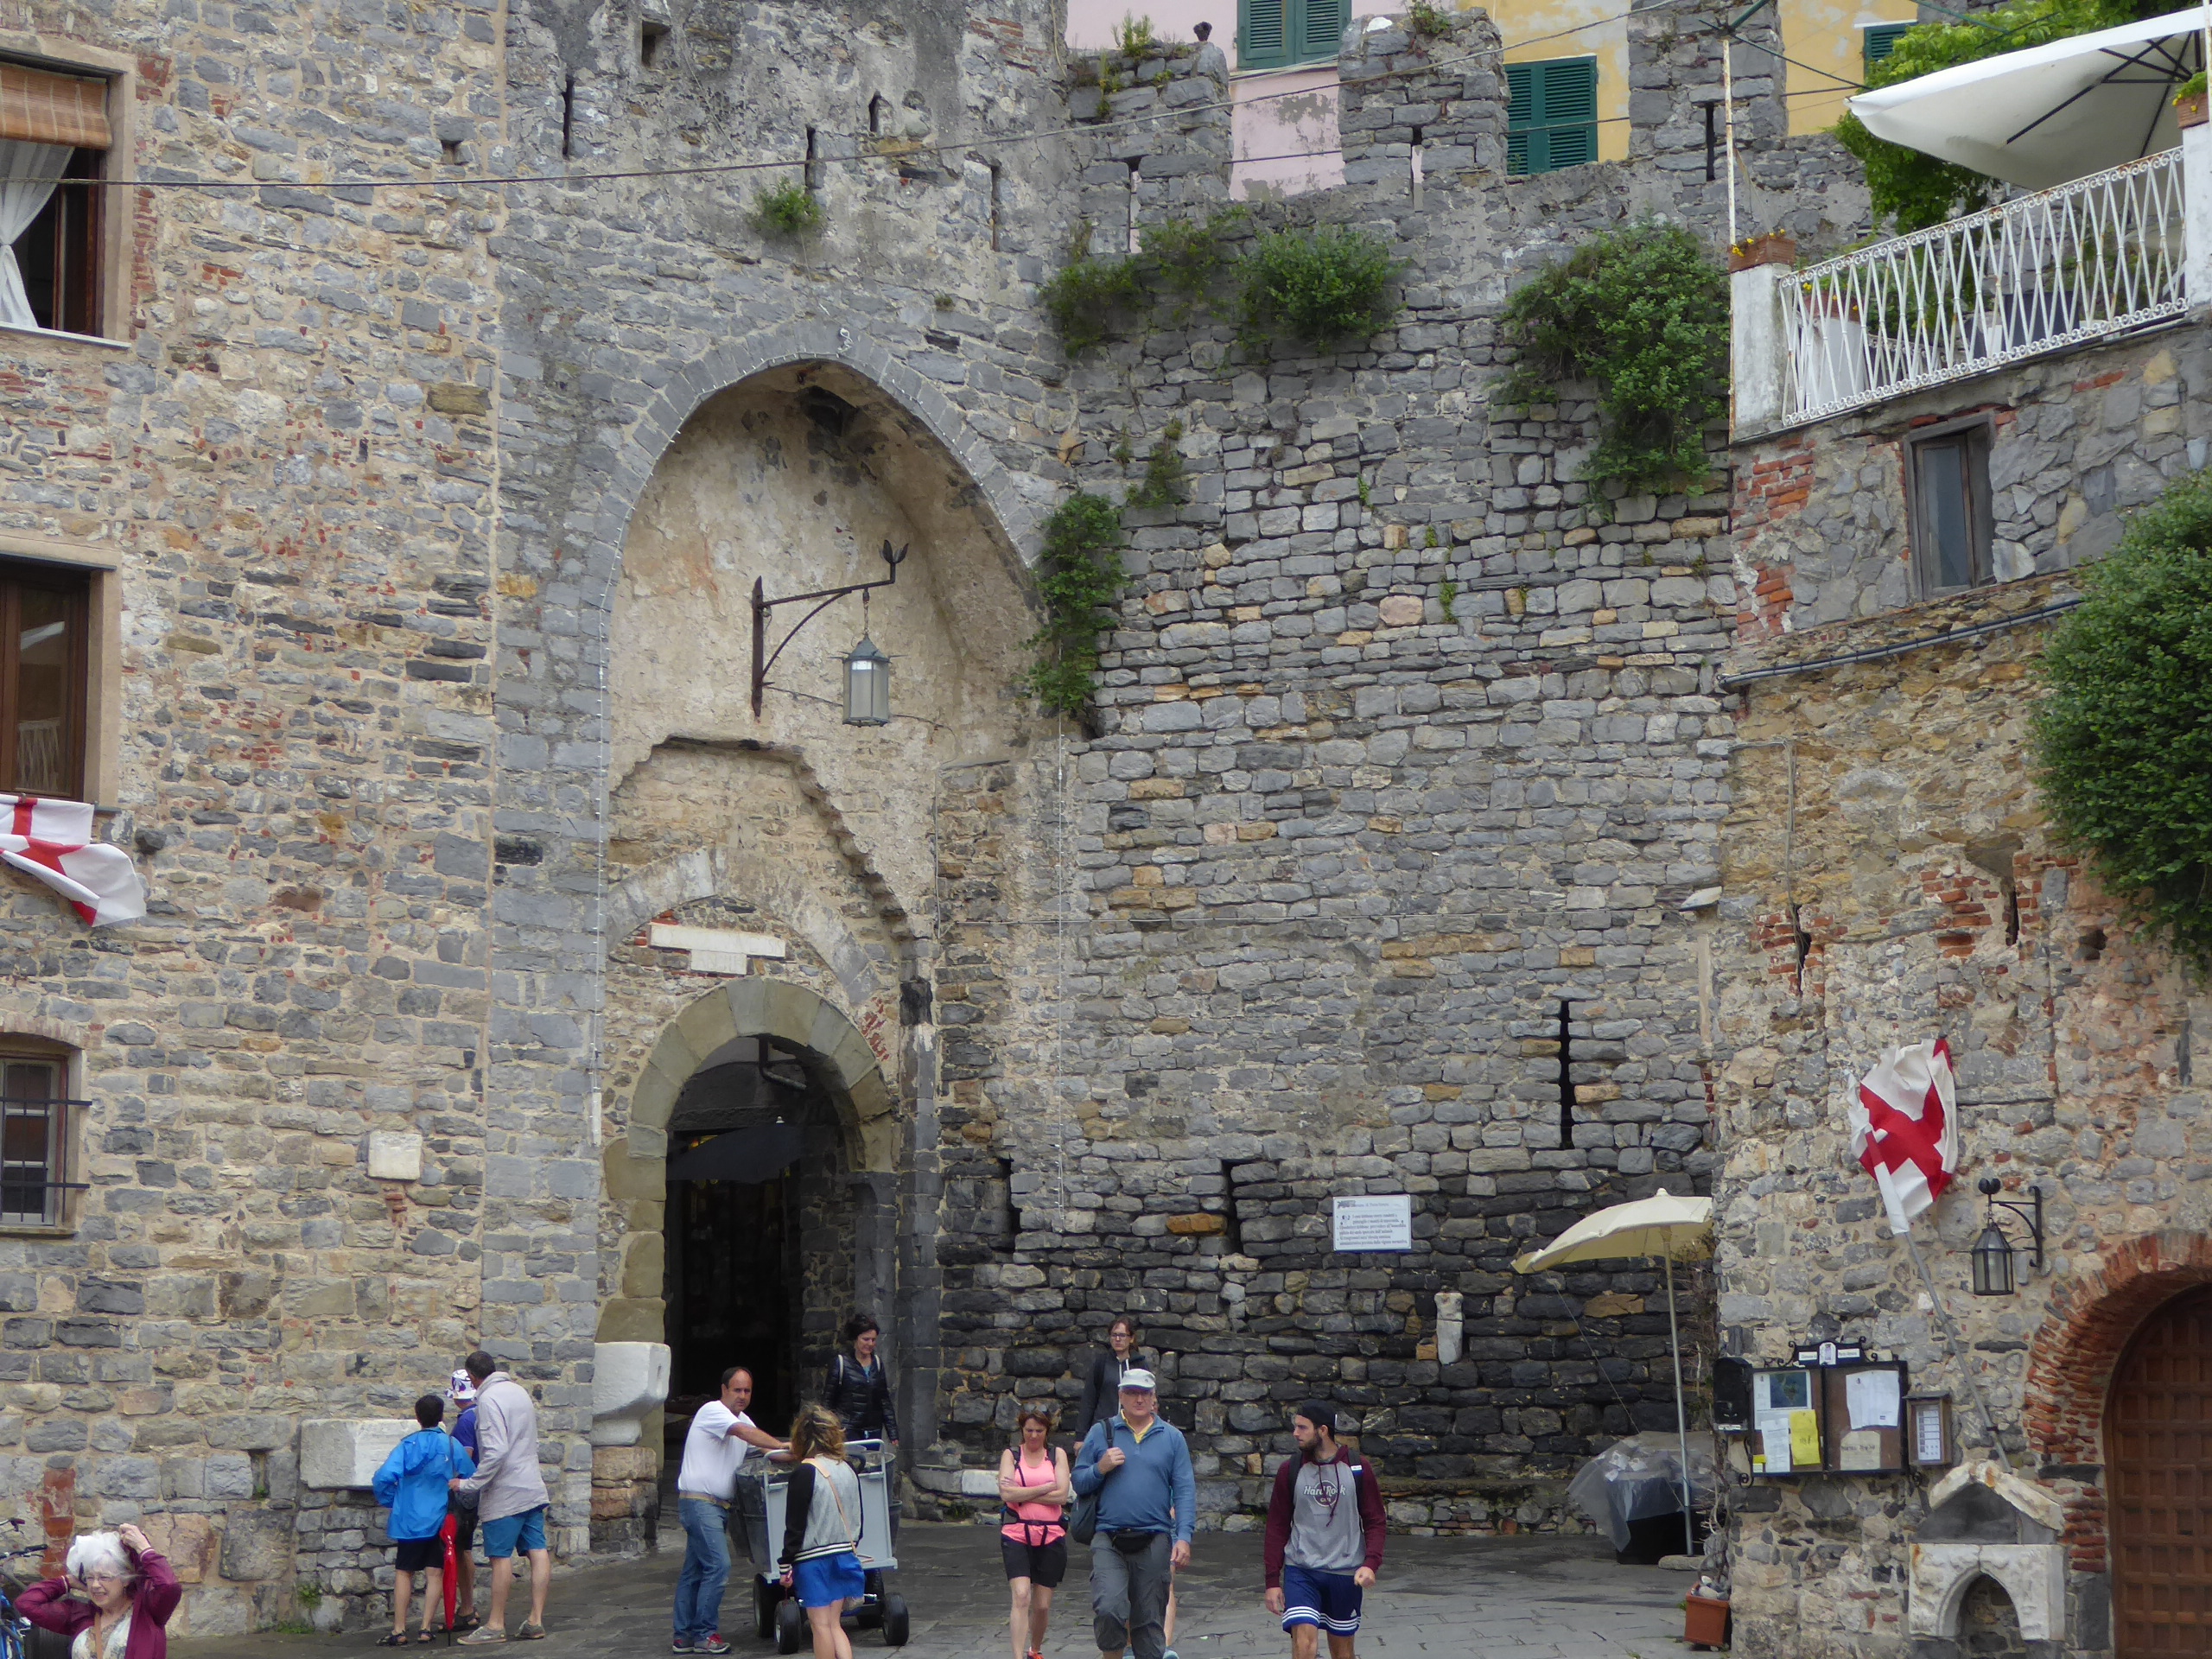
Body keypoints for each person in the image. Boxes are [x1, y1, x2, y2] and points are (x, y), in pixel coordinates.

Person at [1071, 1370, 1194, 1659]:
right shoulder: (1102, 1432)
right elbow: (1078, 1481)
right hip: (1108, 1537)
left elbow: (1186, 1490)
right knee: (1109, 1608)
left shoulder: (1172, 1438)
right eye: (1132, 1393)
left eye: (1145, 1393)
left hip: (1155, 1538)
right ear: (1121, 1396)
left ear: (1154, 1399)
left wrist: (1185, 1537)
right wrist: (1100, 1467)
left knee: (1149, 1622)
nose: (1139, 1399)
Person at [674, 1366, 791, 1656]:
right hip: (700, 1502)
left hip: (715, 1506)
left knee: (695, 1569)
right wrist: (778, 1444)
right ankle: (704, 1634)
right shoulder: (712, 1411)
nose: (742, 1396)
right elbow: (747, 1434)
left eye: (747, 1390)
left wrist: (798, 1451)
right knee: (718, 1565)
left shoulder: (744, 1420)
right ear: (723, 1390)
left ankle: (683, 1636)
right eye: (736, 1390)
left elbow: (766, 1450)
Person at [1262, 1403, 1387, 1659]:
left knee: (1342, 1653)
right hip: (1302, 1570)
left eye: (1302, 1427)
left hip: (1345, 1572)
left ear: (1323, 1430)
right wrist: (1272, 1581)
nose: (1295, 1433)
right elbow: (1276, 1525)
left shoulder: (1357, 1467)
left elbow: (1375, 1520)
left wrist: (1371, 1564)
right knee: (1305, 1646)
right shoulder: (1291, 1470)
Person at [449, 1350, 553, 1644]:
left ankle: (495, 1624)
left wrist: (471, 1483)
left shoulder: (488, 1399)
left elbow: (495, 1450)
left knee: (500, 1557)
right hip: (531, 1485)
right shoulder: (519, 1392)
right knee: (538, 1550)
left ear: (472, 1377)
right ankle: (535, 1619)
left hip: (505, 1492)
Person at [373, 1393, 476, 1646]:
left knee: (403, 1572)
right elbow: (471, 1478)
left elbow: (383, 1477)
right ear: (441, 1416)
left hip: (408, 1519)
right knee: (435, 1574)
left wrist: (392, 1500)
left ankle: (399, 1630)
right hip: (440, 1519)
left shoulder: (406, 1446)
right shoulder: (452, 1446)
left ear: (418, 1418)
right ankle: (425, 1628)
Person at [778, 1403, 867, 1659]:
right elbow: (857, 1517)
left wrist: (786, 1565)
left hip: (814, 1560)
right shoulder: (848, 1469)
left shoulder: (805, 1472)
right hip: (844, 1554)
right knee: (835, 1624)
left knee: (820, 1626)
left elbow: (794, 1527)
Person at [18, 1523, 181, 1659]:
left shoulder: (148, 1613)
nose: (95, 1585)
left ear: (124, 1580)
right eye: (90, 1578)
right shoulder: (80, 1614)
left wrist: (143, 1548)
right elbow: (26, 1603)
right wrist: (66, 1582)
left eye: (104, 1577)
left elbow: (169, 1586)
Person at [997, 1407, 1071, 1659]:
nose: (1033, 1436)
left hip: (1051, 1535)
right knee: (1021, 1596)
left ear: (1047, 1431)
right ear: (1022, 1430)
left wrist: (1025, 1491)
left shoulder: (1057, 1455)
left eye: (1039, 1431)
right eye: (1028, 1430)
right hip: (1016, 1532)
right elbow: (1007, 1494)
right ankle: (1017, 1656)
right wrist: (1045, 1488)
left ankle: (1035, 1650)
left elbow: (1061, 1495)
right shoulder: (1011, 1455)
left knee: (1042, 1606)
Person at [1077, 1316, 1156, 1440]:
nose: (1118, 1339)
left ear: (1131, 1338)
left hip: (1133, 1431)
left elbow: (1151, 1399)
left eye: (1122, 1335)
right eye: (1114, 1335)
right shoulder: (1101, 1363)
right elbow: (1089, 1400)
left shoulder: (1140, 1364)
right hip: (1104, 1430)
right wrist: (1080, 1436)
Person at [449, 1369, 483, 1632]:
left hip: (466, 1493)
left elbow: (464, 1459)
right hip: (479, 1490)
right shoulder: (481, 1414)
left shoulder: (464, 1422)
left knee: (461, 1550)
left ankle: (467, 1607)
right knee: (465, 1548)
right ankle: (467, 1607)